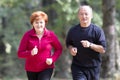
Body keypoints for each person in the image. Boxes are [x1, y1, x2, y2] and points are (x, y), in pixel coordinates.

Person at [17, 11, 62, 80]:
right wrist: (30, 53)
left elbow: (59, 49)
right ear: (33, 23)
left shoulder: (50, 35)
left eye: (41, 22)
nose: (39, 25)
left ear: (45, 23)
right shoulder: (27, 35)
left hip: (46, 67)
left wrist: (52, 59)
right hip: (31, 69)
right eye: (36, 22)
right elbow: (20, 53)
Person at [66, 5, 106, 80]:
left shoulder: (97, 31)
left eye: (86, 14)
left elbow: (103, 49)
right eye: (81, 14)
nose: (84, 16)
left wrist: (90, 45)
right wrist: (71, 49)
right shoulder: (73, 31)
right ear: (78, 16)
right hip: (78, 67)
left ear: (91, 16)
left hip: (94, 67)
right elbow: (69, 44)